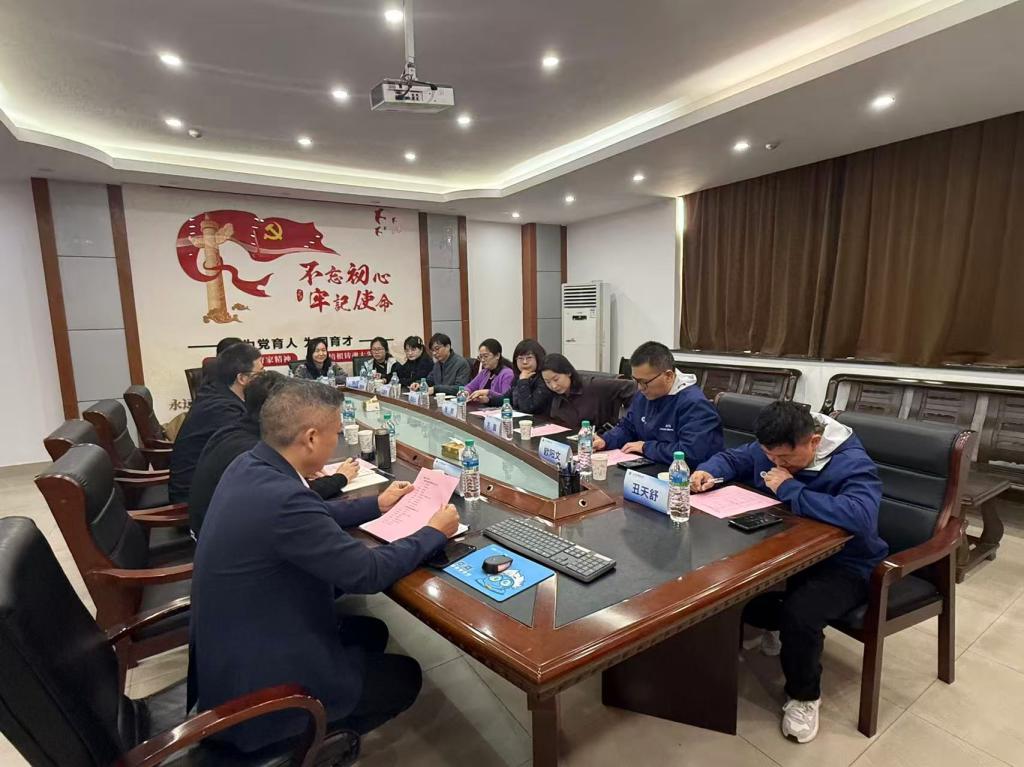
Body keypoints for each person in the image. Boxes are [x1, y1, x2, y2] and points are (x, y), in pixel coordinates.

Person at [189, 380, 461, 753]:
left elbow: (311, 511)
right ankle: (308, 743)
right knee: (406, 677)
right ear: (312, 438)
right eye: (336, 433)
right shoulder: (283, 499)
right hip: (257, 694)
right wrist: (433, 533)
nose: (338, 441)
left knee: (371, 632)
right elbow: (367, 573)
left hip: (236, 650)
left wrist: (376, 504)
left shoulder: (250, 464)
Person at [690, 401, 886, 744]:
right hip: (786, 551)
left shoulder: (851, 462)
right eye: (770, 456)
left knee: (801, 613)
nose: (777, 464)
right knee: (724, 588)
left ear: (814, 441)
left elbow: (860, 517)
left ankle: (804, 697)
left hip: (846, 564)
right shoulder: (776, 445)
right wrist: (707, 470)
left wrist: (789, 487)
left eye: (786, 458)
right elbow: (734, 459)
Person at [188, 372, 360, 537]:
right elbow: (294, 497)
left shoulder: (235, 430)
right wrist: (339, 478)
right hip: (214, 536)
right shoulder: (251, 452)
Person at [593, 341, 724, 465]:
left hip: (687, 474)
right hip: (651, 465)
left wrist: (646, 447)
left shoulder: (694, 404)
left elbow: (691, 453)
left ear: (668, 376)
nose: (640, 388)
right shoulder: (644, 394)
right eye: (636, 381)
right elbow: (628, 427)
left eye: (644, 382)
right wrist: (606, 440)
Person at [170, 343, 263, 503]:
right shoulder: (223, 410)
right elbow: (248, 453)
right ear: (242, 378)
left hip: (207, 484)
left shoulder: (217, 392)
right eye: (260, 373)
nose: (263, 378)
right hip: (193, 497)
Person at [540, 353, 635, 432]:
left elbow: (632, 387)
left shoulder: (594, 386)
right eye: (547, 382)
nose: (553, 386)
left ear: (568, 372)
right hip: (571, 440)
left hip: (600, 440)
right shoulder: (555, 395)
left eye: (556, 379)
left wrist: (630, 418)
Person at [491, 338, 551, 412]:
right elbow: (507, 399)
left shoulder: (544, 379)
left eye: (529, 358)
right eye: (520, 358)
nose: (524, 362)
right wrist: (488, 400)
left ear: (538, 358)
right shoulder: (519, 377)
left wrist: (523, 381)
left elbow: (528, 408)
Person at [465, 338, 514, 403]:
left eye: (486, 356)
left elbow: (506, 398)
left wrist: (488, 392)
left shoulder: (507, 373)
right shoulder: (484, 372)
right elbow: (469, 387)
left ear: (497, 355)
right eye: (481, 357)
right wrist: (466, 392)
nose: (482, 360)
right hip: (483, 408)